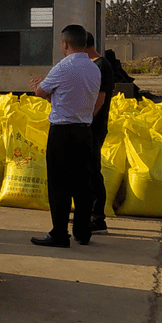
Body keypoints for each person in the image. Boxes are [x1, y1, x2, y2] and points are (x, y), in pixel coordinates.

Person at [29, 24, 102, 247]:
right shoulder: (94, 68)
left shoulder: (63, 67)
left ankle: (59, 233)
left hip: (62, 132)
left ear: (65, 43)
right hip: (84, 131)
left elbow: (41, 92)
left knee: (59, 184)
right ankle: (82, 231)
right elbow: (74, 98)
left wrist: (37, 86)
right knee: (83, 184)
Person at [85, 33, 116, 233]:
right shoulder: (91, 66)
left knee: (92, 171)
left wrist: (86, 120)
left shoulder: (102, 66)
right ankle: (86, 215)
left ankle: (98, 219)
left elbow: (100, 98)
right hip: (86, 126)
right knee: (84, 172)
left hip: (93, 127)